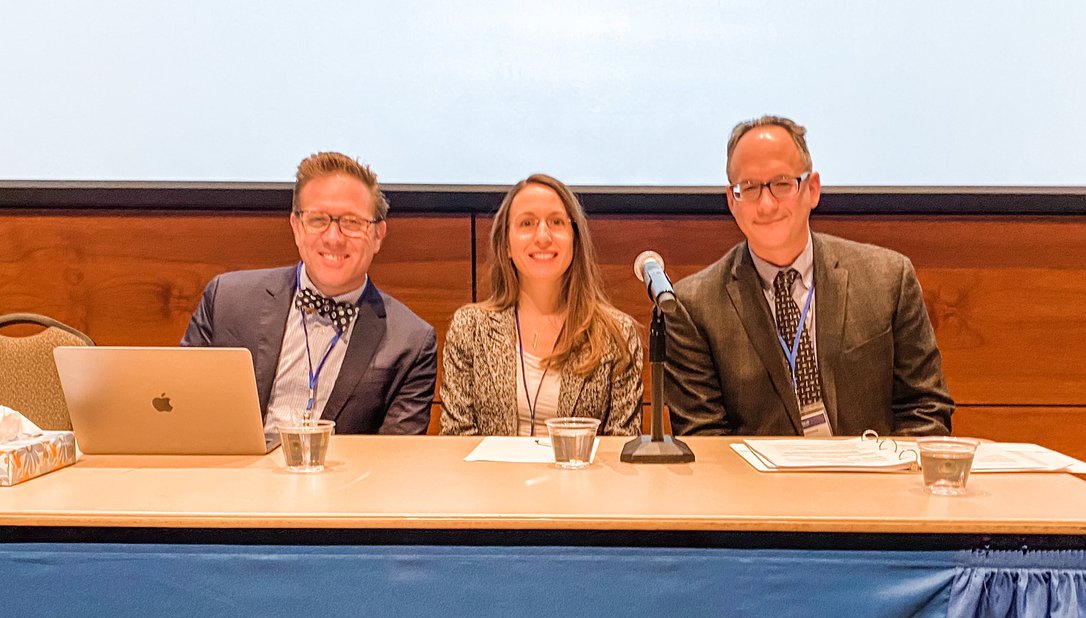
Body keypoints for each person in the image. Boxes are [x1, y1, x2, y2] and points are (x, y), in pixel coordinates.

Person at [665, 116, 953, 437]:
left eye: (782, 183)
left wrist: (888, 479)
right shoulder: (692, 306)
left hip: (870, 480)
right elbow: (703, 437)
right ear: (732, 201)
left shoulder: (888, 280)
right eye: (749, 188)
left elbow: (926, 409)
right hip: (758, 486)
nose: (766, 204)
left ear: (812, 189)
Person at [182, 151, 437, 435]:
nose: (333, 237)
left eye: (352, 222)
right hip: (232, 477)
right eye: (318, 220)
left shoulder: (411, 342)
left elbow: (394, 461)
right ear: (296, 227)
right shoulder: (227, 301)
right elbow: (182, 414)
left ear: (378, 236)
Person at [439, 173, 643, 436]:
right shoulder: (469, 329)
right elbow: (456, 437)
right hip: (489, 477)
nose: (543, 236)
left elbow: (622, 445)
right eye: (527, 223)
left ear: (575, 240)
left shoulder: (618, 335)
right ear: (507, 245)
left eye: (556, 222)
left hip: (581, 477)